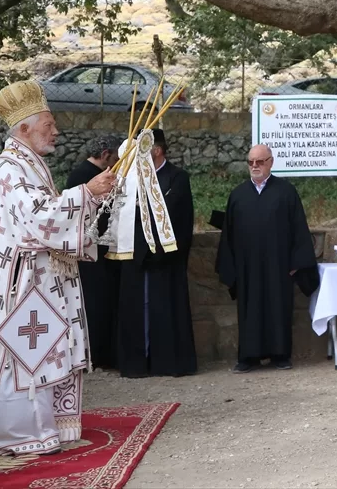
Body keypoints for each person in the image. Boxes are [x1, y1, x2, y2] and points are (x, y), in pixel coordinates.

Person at [0, 81, 113, 455]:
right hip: (15, 285)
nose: (55, 131)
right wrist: (86, 192)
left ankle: (45, 428)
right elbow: (39, 217)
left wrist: (89, 196)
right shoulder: (10, 168)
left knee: (39, 348)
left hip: (34, 279)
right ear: (23, 129)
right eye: (48, 124)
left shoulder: (29, 165)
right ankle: (21, 434)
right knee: (21, 353)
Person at [216, 143, 317, 373]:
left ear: (270, 162)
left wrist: (295, 264)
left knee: (277, 309)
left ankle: (280, 355)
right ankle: (248, 357)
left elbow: (299, 230)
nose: (254, 166)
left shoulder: (286, 192)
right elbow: (228, 235)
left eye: (259, 162)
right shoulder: (238, 195)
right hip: (247, 268)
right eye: (251, 162)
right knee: (249, 311)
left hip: (278, 266)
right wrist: (231, 269)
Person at [115, 129, 196, 378]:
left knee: (165, 309)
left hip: (165, 259)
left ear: (156, 150)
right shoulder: (131, 178)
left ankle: (166, 362)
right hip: (136, 257)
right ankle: (137, 362)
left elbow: (181, 219)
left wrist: (165, 251)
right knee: (137, 310)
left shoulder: (177, 178)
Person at [64, 134, 121, 369]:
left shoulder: (84, 173)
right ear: (106, 155)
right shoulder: (84, 177)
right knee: (96, 304)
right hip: (90, 251)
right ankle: (97, 354)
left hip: (97, 249)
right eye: (116, 157)